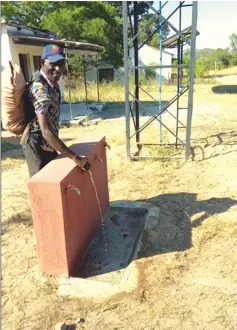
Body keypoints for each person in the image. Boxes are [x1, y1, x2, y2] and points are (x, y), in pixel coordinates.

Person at [21, 44, 90, 177]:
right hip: (36, 145)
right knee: (41, 183)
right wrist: (76, 158)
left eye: (61, 64)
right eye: (53, 64)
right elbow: (46, 132)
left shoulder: (52, 84)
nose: (58, 69)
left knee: (54, 178)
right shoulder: (39, 89)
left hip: (49, 143)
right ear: (42, 63)